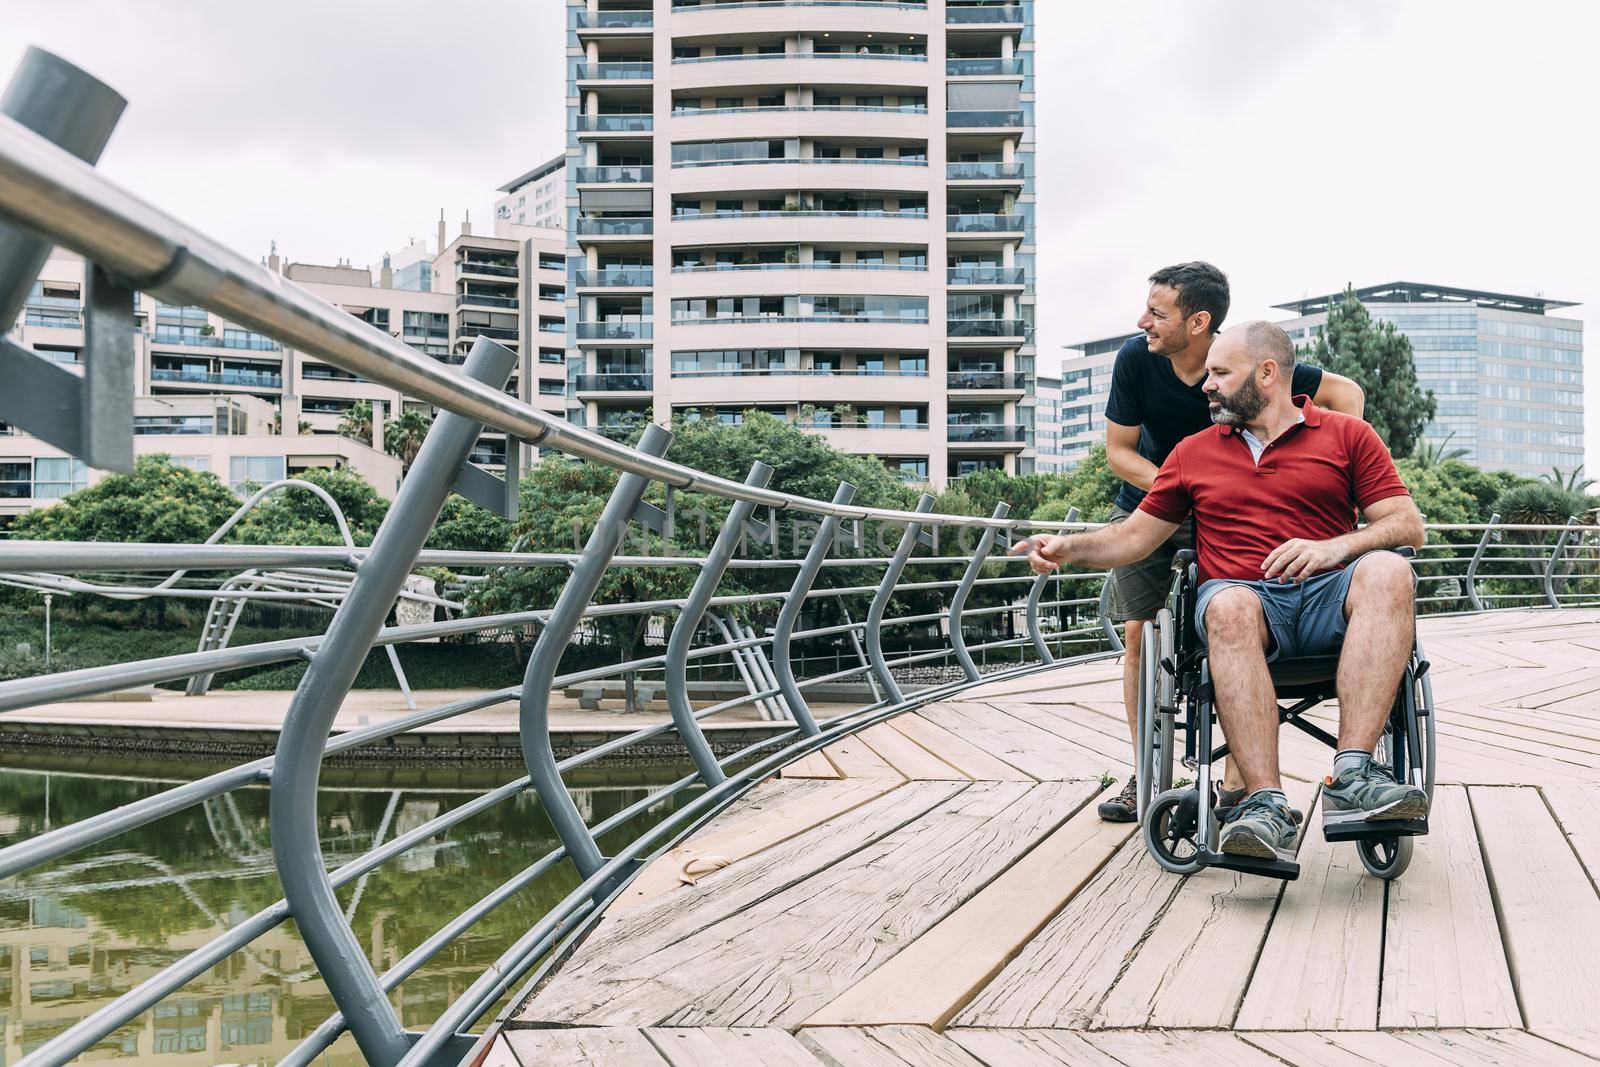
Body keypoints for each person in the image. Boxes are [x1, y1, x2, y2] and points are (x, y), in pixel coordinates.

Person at [1013, 321, 1427, 861]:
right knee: (1227, 605)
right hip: (1246, 603)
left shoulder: (1348, 435)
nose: (1206, 385)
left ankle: (1354, 773)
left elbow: (1407, 525)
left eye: (1220, 373)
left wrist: (1335, 548)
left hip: (1332, 597)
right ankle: (1264, 803)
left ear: (1267, 373)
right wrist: (1068, 548)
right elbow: (1135, 536)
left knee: (1391, 571)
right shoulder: (1193, 452)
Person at [1093, 262, 1366, 822]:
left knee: (1235, 619)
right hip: (1155, 499)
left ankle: (1238, 782)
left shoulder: (1240, 364)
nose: (1143, 320)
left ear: (1199, 322)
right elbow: (1118, 452)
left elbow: (1347, 393)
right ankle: (1147, 772)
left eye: (1158, 312)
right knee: (1142, 637)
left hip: (1231, 503)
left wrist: (1343, 474)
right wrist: (1183, 488)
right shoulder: (1135, 358)